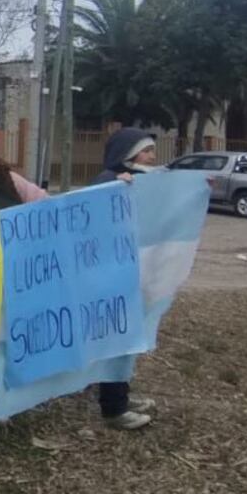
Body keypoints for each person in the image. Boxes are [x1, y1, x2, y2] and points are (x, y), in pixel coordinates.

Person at [91, 128, 162, 431]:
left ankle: (121, 394)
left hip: (129, 276)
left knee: (128, 341)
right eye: (146, 151)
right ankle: (114, 408)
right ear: (127, 154)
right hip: (111, 279)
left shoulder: (141, 181)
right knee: (117, 341)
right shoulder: (108, 181)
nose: (152, 157)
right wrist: (112, 188)